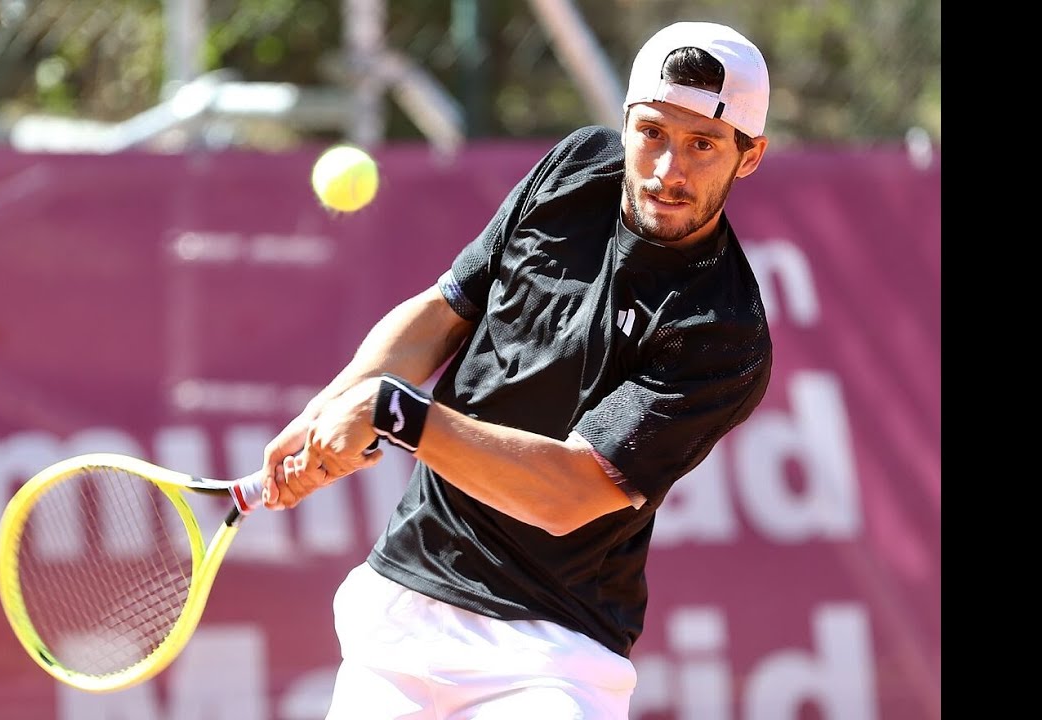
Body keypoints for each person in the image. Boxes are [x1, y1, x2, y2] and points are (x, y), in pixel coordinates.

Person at [261, 20, 774, 719]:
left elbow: (565, 493)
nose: (666, 172)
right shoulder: (574, 169)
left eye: (703, 145)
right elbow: (446, 311)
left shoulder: (723, 330)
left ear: (749, 157)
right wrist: (329, 410)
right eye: (651, 133)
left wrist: (393, 413)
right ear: (624, 123)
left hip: (551, 658)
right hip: (406, 609)